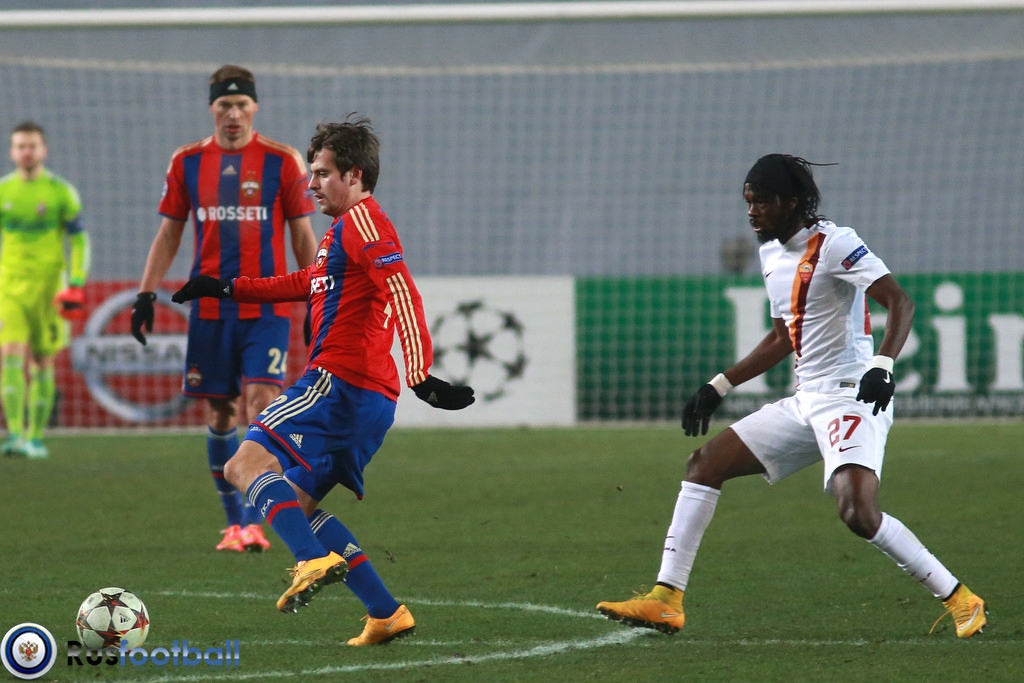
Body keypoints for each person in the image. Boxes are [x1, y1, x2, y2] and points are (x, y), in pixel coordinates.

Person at [596, 154, 987, 639]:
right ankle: (666, 599)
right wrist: (720, 385)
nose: (752, 211)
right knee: (703, 465)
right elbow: (784, 337)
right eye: (748, 202)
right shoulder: (770, 255)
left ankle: (960, 598)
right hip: (806, 402)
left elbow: (899, 301)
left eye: (761, 201)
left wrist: (882, 365)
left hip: (850, 397)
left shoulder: (836, 243)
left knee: (857, 514)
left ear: (793, 201)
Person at [170, 115, 475, 645]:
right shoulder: (344, 230)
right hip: (368, 403)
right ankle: (386, 613)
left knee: (243, 465)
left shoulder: (365, 224)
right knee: (297, 503)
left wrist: (422, 376)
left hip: (337, 385)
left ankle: (311, 560)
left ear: (355, 175)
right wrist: (226, 288)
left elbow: (403, 291)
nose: (311, 183)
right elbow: (305, 281)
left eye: (322, 173)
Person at [130, 65, 318, 554]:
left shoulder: (282, 160)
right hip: (211, 311)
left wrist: (315, 297)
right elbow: (169, 233)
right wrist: (146, 294)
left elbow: (302, 235)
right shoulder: (187, 162)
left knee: (262, 404)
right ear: (212, 109)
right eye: (224, 105)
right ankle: (234, 524)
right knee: (220, 412)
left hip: (267, 308)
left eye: (241, 105)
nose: (233, 113)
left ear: (255, 108)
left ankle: (255, 522)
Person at [0, 120, 90, 459]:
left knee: (42, 360)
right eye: (20, 146)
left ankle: (35, 438)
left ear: (43, 150)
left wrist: (77, 282)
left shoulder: (60, 192)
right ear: (12, 152)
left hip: (50, 289)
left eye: (32, 146)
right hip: (9, 287)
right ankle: (14, 435)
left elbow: (79, 240)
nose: (26, 152)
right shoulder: (3, 191)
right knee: (9, 356)